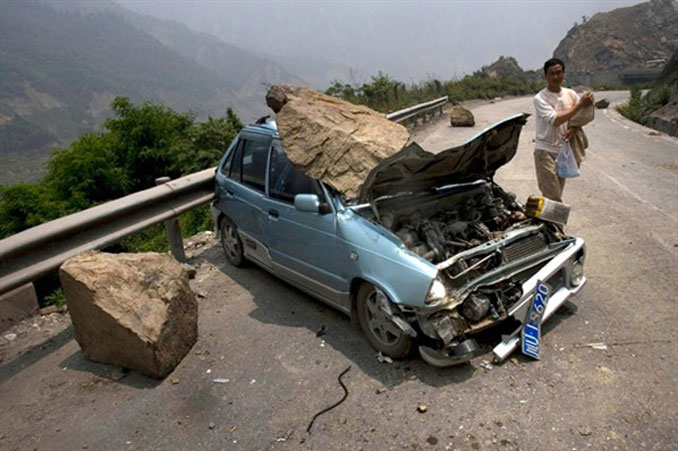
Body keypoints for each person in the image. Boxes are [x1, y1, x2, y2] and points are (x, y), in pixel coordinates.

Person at [533, 58, 594, 202]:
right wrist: (580, 105)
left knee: (557, 192)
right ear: (545, 75)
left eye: (559, 73)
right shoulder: (540, 98)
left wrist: (572, 128)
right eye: (552, 73)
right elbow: (556, 120)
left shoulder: (571, 94)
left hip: (564, 152)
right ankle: (557, 224)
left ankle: (550, 223)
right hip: (545, 151)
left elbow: (577, 118)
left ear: (564, 73)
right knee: (551, 195)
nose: (556, 77)